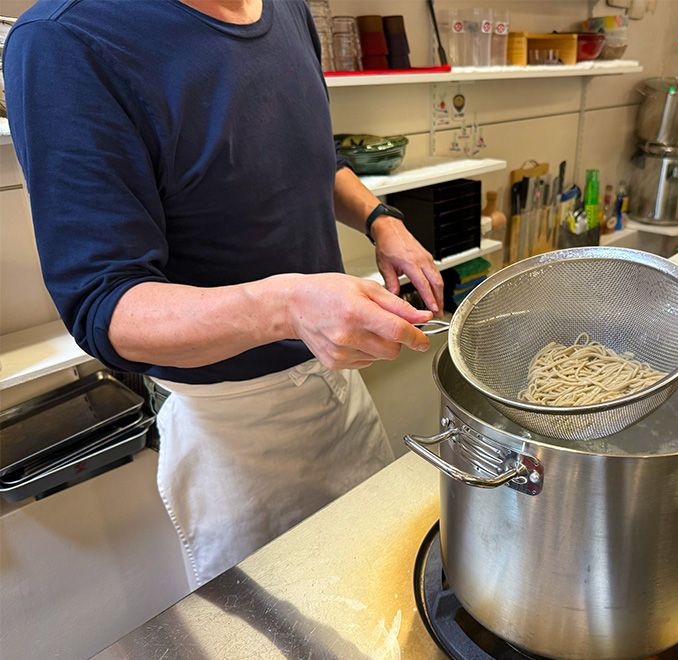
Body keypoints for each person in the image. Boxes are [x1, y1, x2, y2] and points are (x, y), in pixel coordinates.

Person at [3, 0, 443, 587]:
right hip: (234, 431)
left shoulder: (288, 10)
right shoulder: (65, 40)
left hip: (338, 393)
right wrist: (287, 306)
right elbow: (105, 307)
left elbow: (315, 157)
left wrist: (380, 220)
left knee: (375, 586)